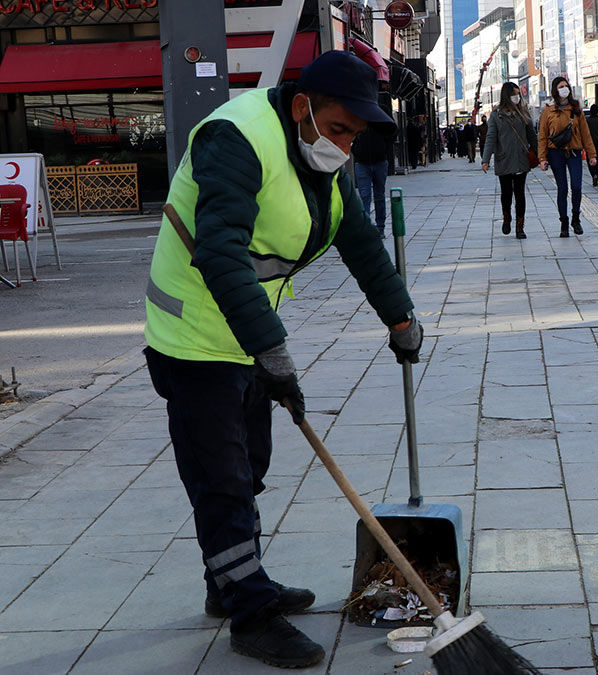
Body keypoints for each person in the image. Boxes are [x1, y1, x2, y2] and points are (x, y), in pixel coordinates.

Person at [142, 51, 423, 669]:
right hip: (193, 337)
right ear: (303, 108)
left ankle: (230, 580)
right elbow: (218, 250)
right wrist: (272, 351)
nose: (346, 147)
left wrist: (400, 318)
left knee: (254, 465)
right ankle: (251, 612)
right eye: (340, 129)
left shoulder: (320, 155)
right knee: (224, 483)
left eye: (356, 135)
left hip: (246, 336)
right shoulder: (235, 139)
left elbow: (360, 243)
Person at [538, 76, 597, 237]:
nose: (564, 89)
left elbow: (586, 134)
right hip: (555, 152)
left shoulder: (576, 109)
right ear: (555, 91)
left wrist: (592, 154)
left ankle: (576, 218)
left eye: (566, 86)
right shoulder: (548, 111)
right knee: (562, 188)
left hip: (574, 152)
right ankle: (564, 222)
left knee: (577, 186)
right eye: (560, 86)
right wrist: (542, 158)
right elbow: (542, 136)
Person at [481, 82, 538, 239]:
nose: (517, 96)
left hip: (521, 158)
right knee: (506, 193)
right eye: (514, 93)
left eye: (518, 93)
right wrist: (485, 159)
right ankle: (507, 218)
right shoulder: (496, 114)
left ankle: (520, 226)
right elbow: (491, 137)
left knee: (520, 193)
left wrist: (541, 155)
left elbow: (532, 135)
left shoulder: (523, 112)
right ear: (507, 95)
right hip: (504, 159)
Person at [351, 123, 392, 237]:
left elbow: (392, 130)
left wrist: (384, 147)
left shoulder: (380, 111)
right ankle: (366, 228)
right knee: (365, 196)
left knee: (379, 195)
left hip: (379, 161)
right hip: (362, 161)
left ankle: (380, 227)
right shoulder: (360, 110)